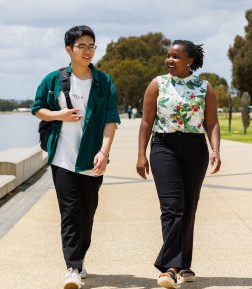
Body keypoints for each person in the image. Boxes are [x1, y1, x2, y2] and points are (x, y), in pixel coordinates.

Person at [31, 25, 120, 289]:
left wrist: (104, 152)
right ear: (68, 49)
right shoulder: (53, 80)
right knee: (69, 212)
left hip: (92, 159)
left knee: (87, 212)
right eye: (82, 46)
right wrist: (60, 115)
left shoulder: (104, 81)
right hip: (62, 159)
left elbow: (110, 120)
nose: (88, 51)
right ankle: (72, 267)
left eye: (92, 46)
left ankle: (79, 257)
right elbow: (38, 109)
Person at [136, 40, 221, 288]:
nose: (169, 60)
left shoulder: (205, 87)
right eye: (168, 56)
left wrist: (215, 149)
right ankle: (170, 268)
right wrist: (141, 154)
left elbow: (212, 123)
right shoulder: (157, 84)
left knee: (189, 207)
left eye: (175, 56)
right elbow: (145, 122)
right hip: (164, 146)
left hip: (195, 149)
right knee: (172, 207)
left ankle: (183, 264)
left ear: (190, 61)